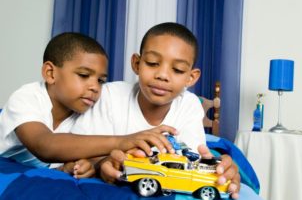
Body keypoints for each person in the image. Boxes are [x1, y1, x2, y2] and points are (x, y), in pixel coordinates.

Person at [72, 23, 241, 198]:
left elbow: (190, 160)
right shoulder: (110, 95)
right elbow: (78, 146)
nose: (162, 75)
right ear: (137, 64)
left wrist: (215, 167)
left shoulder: (189, 105)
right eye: (152, 63)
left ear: (191, 77)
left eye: (178, 70)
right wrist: (101, 164)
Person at [0, 32, 176, 178]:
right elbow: (45, 145)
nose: (94, 87)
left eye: (100, 80)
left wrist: (80, 166)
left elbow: (80, 153)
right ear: (50, 73)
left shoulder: (89, 110)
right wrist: (123, 140)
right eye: (84, 75)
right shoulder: (26, 97)